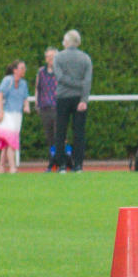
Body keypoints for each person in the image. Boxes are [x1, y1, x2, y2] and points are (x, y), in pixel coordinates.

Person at [52, 30, 93, 172]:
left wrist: (75, 84)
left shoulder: (58, 57)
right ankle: (78, 164)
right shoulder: (86, 58)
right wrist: (84, 99)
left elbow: (60, 77)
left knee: (60, 132)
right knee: (79, 133)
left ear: (67, 42)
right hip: (79, 98)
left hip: (62, 98)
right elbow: (87, 81)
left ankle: (61, 165)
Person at [0, 61, 28, 173]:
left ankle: (1, 167)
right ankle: (12, 167)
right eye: (22, 68)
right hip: (6, 114)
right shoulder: (7, 80)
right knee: (10, 141)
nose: (24, 70)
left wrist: (26, 106)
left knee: (6, 144)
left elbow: (25, 97)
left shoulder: (23, 83)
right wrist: (1, 111)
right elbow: (0, 95)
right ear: (15, 70)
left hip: (17, 115)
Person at [35, 47, 60, 169]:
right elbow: (37, 88)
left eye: (53, 56)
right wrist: (37, 103)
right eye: (48, 56)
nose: (50, 59)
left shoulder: (61, 71)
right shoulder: (41, 72)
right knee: (49, 138)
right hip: (45, 108)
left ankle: (64, 160)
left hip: (58, 107)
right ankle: (52, 162)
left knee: (60, 136)